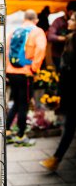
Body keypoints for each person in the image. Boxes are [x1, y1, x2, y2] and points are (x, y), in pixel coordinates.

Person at [40, 11, 76, 171]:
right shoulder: (70, 38)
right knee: (69, 126)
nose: (69, 21)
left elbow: (68, 70)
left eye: (73, 19)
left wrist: (62, 94)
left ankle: (56, 159)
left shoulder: (73, 39)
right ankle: (56, 159)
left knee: (69, 126)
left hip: (71, 90)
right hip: (69, 89)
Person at [6, 9, 47, 144]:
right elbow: (41, 49)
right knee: (23, 104)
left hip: (11, 72)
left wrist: (7, 69)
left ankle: (6, 132)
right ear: (36, 20)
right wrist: (34, 68)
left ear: (25, 19)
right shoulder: (37, 31)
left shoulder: (13, 31)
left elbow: (6, 50)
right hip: (25, 73)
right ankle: (21, 136)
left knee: (16, 102)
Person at [47, 0, 76, 72]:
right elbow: (50, 36)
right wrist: (65, 38)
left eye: (73, 19)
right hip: (58, 55)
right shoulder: (58, 21)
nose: (69, 21)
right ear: (68, 11)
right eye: (71, 13)